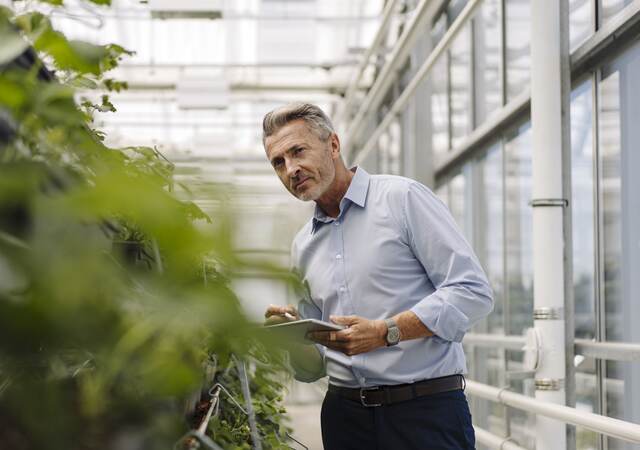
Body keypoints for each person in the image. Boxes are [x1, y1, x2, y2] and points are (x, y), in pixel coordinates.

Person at [263, 102, 493, 450]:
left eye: (298, 151)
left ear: (334, 145)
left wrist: (387, 332)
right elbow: (314, 369)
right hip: (345, 419)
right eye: (278, 162)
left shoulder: (402, 199)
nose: (291, 169)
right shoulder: (303, 245)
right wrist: (295, 337)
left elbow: (472, 291)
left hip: (424, 414)